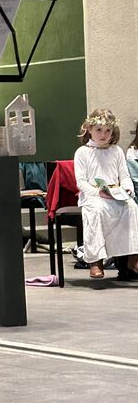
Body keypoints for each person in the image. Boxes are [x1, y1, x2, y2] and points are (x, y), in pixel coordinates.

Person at [74, 109, 138, 279]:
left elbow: (125, 176)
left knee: (132, 207)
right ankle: (96, 261)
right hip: (93, 196)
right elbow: (81, 182)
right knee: (96, 211)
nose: (103, 134)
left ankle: (133, 258)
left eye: (108, 130)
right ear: (89, 129)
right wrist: (98, 192)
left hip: (115, 195)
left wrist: (127, 189)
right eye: (99, 130)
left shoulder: (116, 151)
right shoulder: (82, 152)